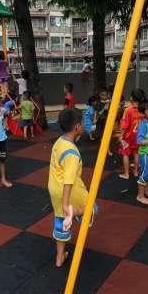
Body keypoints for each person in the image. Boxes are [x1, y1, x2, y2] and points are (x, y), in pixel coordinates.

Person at [48, 108, 96, 267]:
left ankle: (59, 257)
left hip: (54, 187)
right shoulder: (72, 153)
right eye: (82, 123)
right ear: (76, 127)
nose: (83, 125)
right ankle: (74, 212)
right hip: (67, 190)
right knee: (91, 207)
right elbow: (69, 180)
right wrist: (67, 204)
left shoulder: (59, 141)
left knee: (60, 219)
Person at [119, 88, 145, 180]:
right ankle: (136, 172)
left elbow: (124, 125)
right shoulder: (143, 109)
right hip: (138, 136)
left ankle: (126, 174)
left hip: (128, 136)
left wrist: (121, 135)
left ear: (132, 98)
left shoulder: (128, 110)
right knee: (136, 153)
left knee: (125, 153)